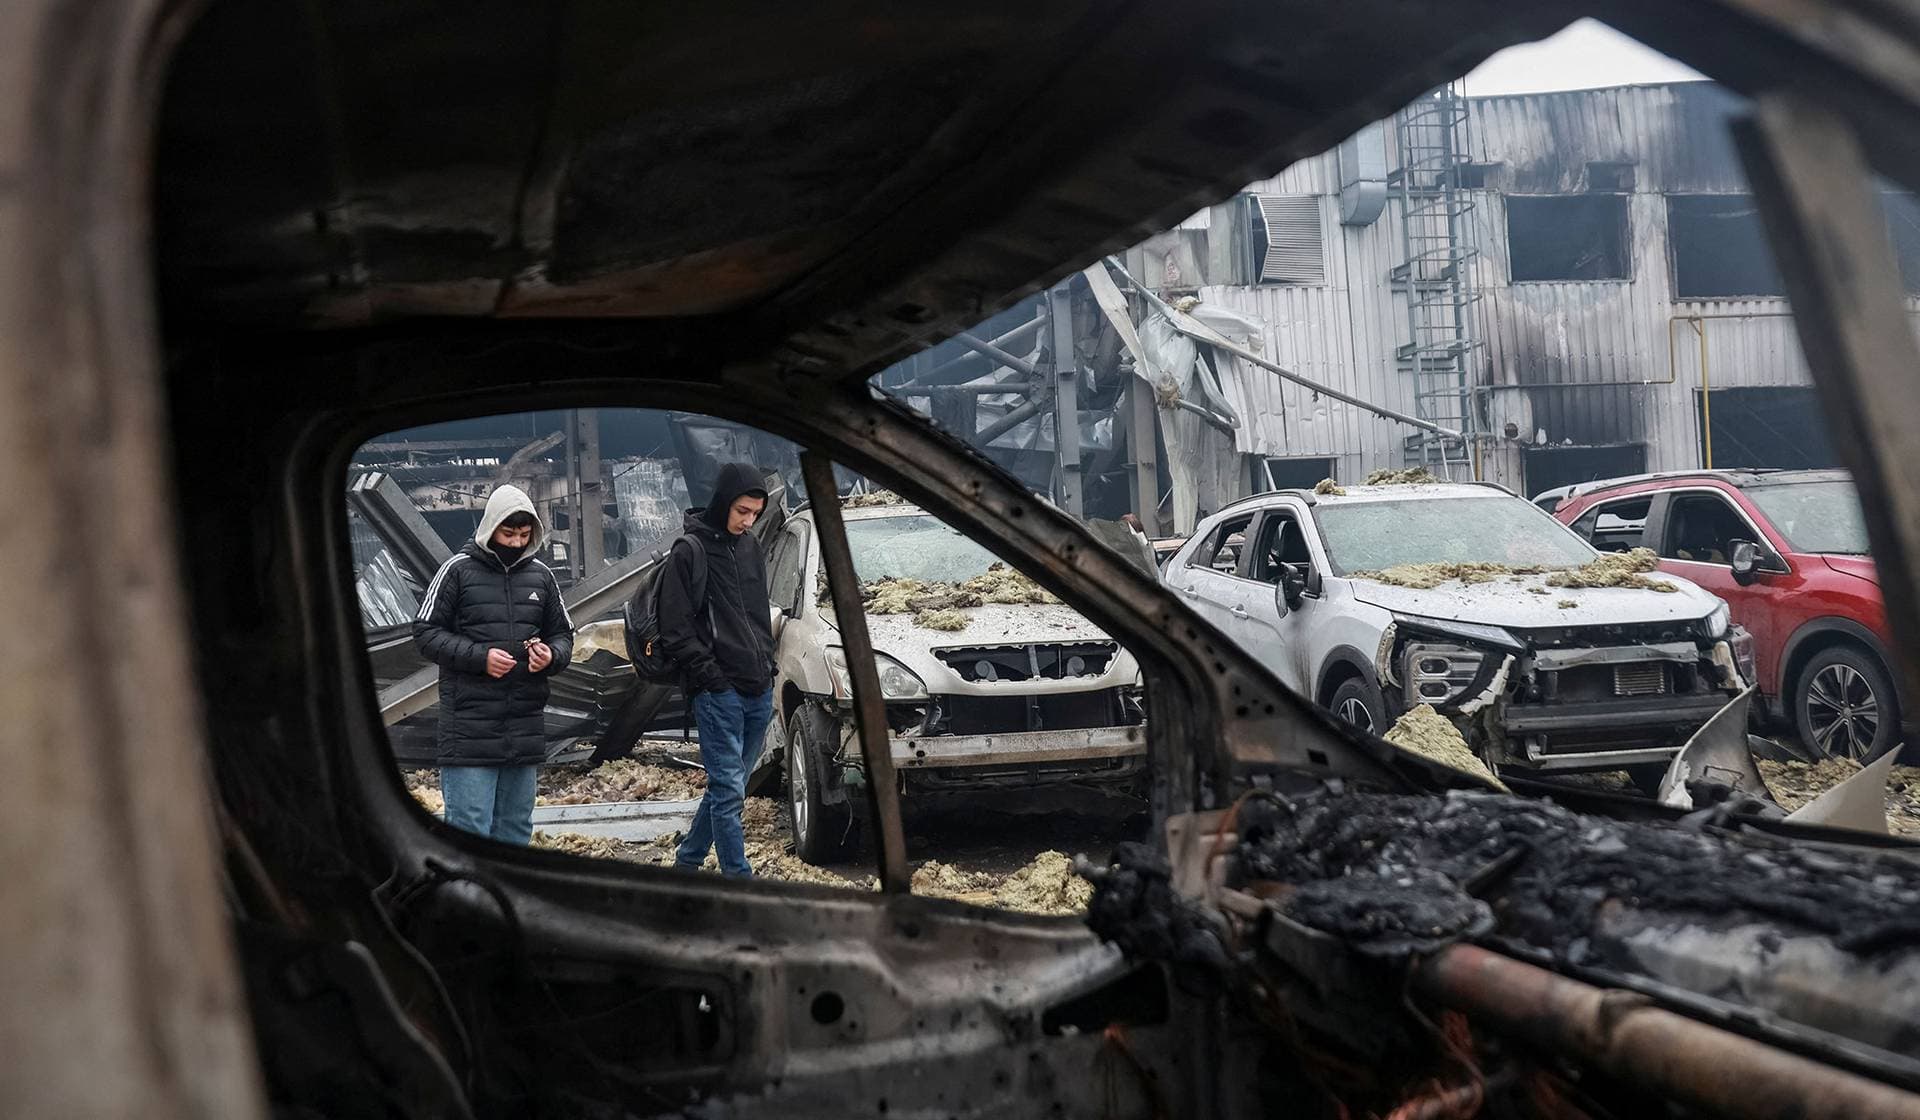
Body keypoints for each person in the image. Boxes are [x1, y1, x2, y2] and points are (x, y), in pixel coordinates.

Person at [413, 484, 574, 844]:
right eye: (508, 533)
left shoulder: (542, 577)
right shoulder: (456, 571)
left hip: (524, 725)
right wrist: (479, 658)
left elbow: (564, 635)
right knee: (470, 829)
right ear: (490, 528)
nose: (517, 542)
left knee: (516, 829)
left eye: (524, 533)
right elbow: (424, 632)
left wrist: (550, 656)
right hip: (469, 728)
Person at [659, 463, 775, 877]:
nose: (748, 520)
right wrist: (712, 678)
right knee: (728, 792)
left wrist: (768, 664)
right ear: (724, 502)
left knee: (730, 788)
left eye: (755, 513)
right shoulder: (688, 551)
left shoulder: (750, 547)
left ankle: (687, 861)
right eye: (742, 511)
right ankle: (737, 881)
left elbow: (759, 614)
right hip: (717, 692)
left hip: (759, 687)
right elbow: (674, 629)